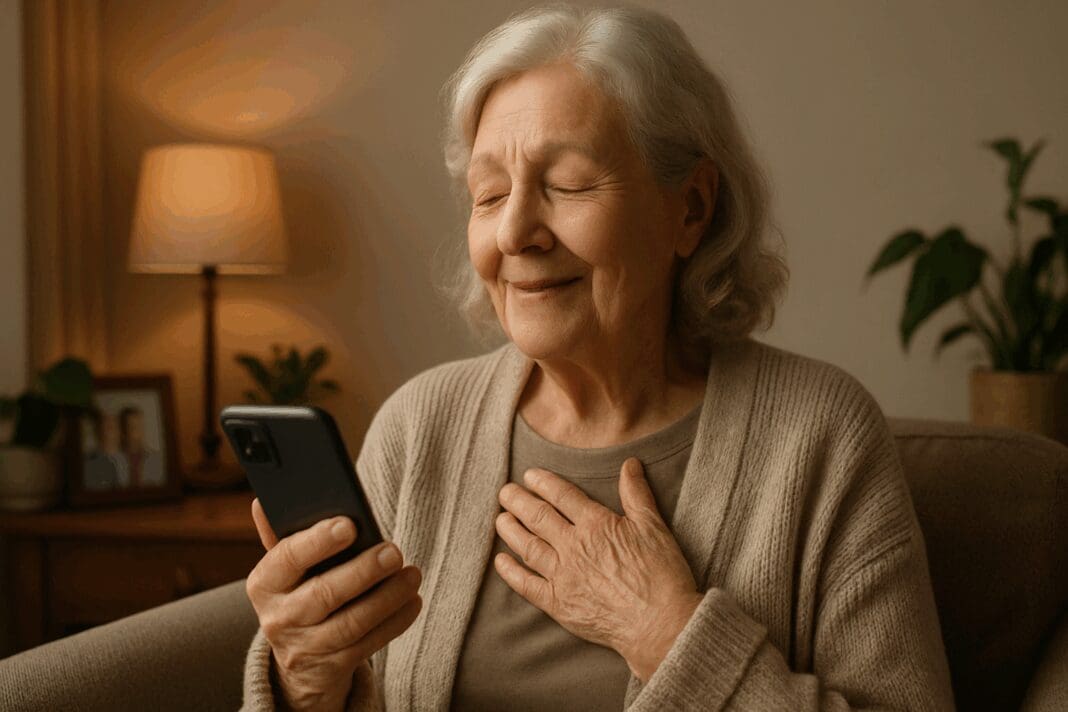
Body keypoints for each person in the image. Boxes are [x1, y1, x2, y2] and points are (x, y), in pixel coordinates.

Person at [242, 4, 955, 711]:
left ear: (691, 210)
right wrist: (306, 684)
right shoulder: (418, 427)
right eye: (489, 195)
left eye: (569, 184)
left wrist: (666, 635)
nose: (516, 230)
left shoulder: (820, 436)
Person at [82, 410, 130, 490]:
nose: (107, 432)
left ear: (120, 432)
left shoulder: (129, 460)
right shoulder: (86, 461)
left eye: (112, 427)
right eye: (104, 426)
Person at [119, 406, 165, 487]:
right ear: (123, 432)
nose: (140, 433)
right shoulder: (114, 459)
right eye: (134, 427)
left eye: (141, 426)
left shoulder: (156, 458)